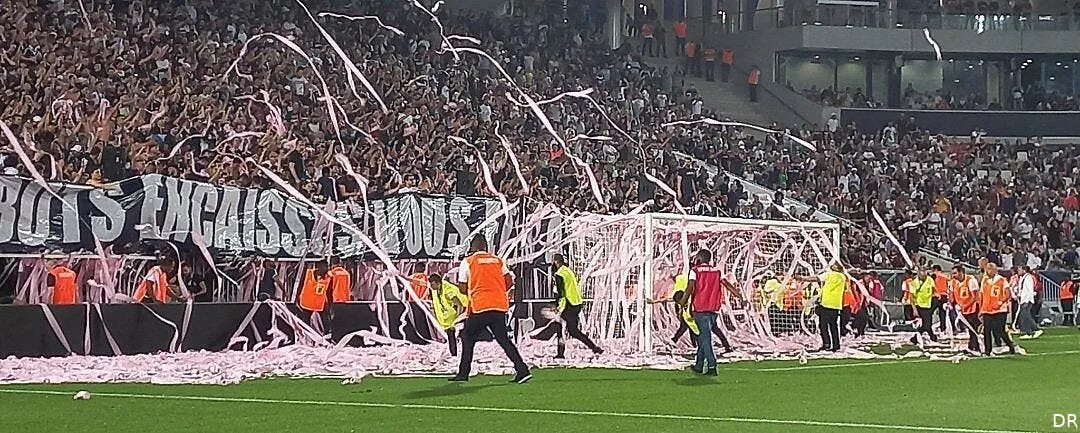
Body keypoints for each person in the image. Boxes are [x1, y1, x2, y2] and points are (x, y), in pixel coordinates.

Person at [451, 235, 531, 383]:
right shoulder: (497, 260)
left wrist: (476, 289)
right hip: (499, 304)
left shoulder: (468, 261)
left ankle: (463, 373)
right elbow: (508, 281)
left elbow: (462, 288)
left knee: (468, 337)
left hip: (480, 305)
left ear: (473, 247)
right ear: (486, 247)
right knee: (503, 339)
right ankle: (522, 370)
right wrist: (497, 290)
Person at [682, 249, 739, 375]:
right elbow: (727, 284)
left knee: (705, 338)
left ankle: (712, 366)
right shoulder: (717, 271)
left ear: (700, 258)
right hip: (714, 308)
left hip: (701, 308)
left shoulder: (695, 271)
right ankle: (699, 365)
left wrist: (683, 301)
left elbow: (690, 287)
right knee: (704, 337)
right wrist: (739, 296)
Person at [552, 253, 603, 358]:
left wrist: (557, 305)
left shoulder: (559, 274)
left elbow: (561, 293)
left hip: (569, 304)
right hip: (577, 303)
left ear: (556, 262)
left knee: (560, 328)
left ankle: (560, 353)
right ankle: (594, 348)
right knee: (573, 331)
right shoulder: (568, 271)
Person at [796, 263, 846, 352]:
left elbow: (816, 278)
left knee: (823, 326)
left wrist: (804, 278)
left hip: (826, 303)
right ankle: (836, 345)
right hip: (836, 304)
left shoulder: (830, 275)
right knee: (833, 326)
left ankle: (826, 344)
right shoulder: (843, 277)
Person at [980, 263, 1016, 356]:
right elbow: (982, 295)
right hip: (987, 309)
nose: (987, 271)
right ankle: (987, 351)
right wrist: (981, 308)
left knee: (1000, 330)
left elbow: (1008, 294)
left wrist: (1000, 302)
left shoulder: (1002, 280)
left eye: (990, 269)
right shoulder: (984, 280)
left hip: (999, 310)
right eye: (987, 269)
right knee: (986, 330)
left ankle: (1010, 345)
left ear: (995, 270)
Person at [429, 273, 468, 356]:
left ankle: (455, 354)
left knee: (454, 336)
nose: (431, 287)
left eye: (432, 284)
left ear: (438, 283)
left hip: (460, 315)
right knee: (451, 336)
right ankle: (454, 354)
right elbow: (420, 282)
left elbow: (459, 305)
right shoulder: (437, 289)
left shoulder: (448, 291)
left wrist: (456, 320)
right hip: (449, 318)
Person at [950, 264, 981, 354]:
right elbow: (952, 295)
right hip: (961, 310)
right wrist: (950, 303)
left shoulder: (970, 281)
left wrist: (965, 305)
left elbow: (975, 297)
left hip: (972, 308)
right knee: (969, 329)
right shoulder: (953, 282)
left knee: (973, 328)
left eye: (955, 273)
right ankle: (971, 346)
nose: (953, 275)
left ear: (961, 272)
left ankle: (975, 347)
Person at [298, 262, 333, 330]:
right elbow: (300, 284)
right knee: (305, 321)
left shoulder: (328, 276)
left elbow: (329, 290)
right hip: (306, 302)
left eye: (327, 267)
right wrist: (297, 297)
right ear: (318, 267)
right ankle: (306, 335)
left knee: (325, 321)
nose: (326, 269)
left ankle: (328, 333)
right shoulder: (308, 273)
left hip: (319, 304)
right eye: (324, 267)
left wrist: (329, 304)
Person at [907, 267, 938, 344]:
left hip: (928, 304)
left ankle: (919, 337)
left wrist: (936, 294)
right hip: (919, 305)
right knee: (924, 323)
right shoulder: (914, 283)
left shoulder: (930, 280)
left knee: (927, 323)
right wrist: (914, 309)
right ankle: (928, 336)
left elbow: (933, 289)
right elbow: (911, 297)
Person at [1016, 266, 1043, 339]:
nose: (1018, 271)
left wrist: (1028, 300)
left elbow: (1030, 289)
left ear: (1024, 270)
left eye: (1019, 270)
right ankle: (1028, 332)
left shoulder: (1028, 278)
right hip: (1024, 299)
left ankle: (1035, 329)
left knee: (1026, 315)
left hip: (1026, 300)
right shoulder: (1023, 278)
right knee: (1024, 316)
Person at [930, 264, 950, 333]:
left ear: (935, 269)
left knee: (930, 311)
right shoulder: (946, 277)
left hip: (937, 296)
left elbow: (932, 286)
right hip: (945, 296)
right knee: (942, 314)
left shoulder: (934, 276)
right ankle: (943, 329)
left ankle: (928, 326)